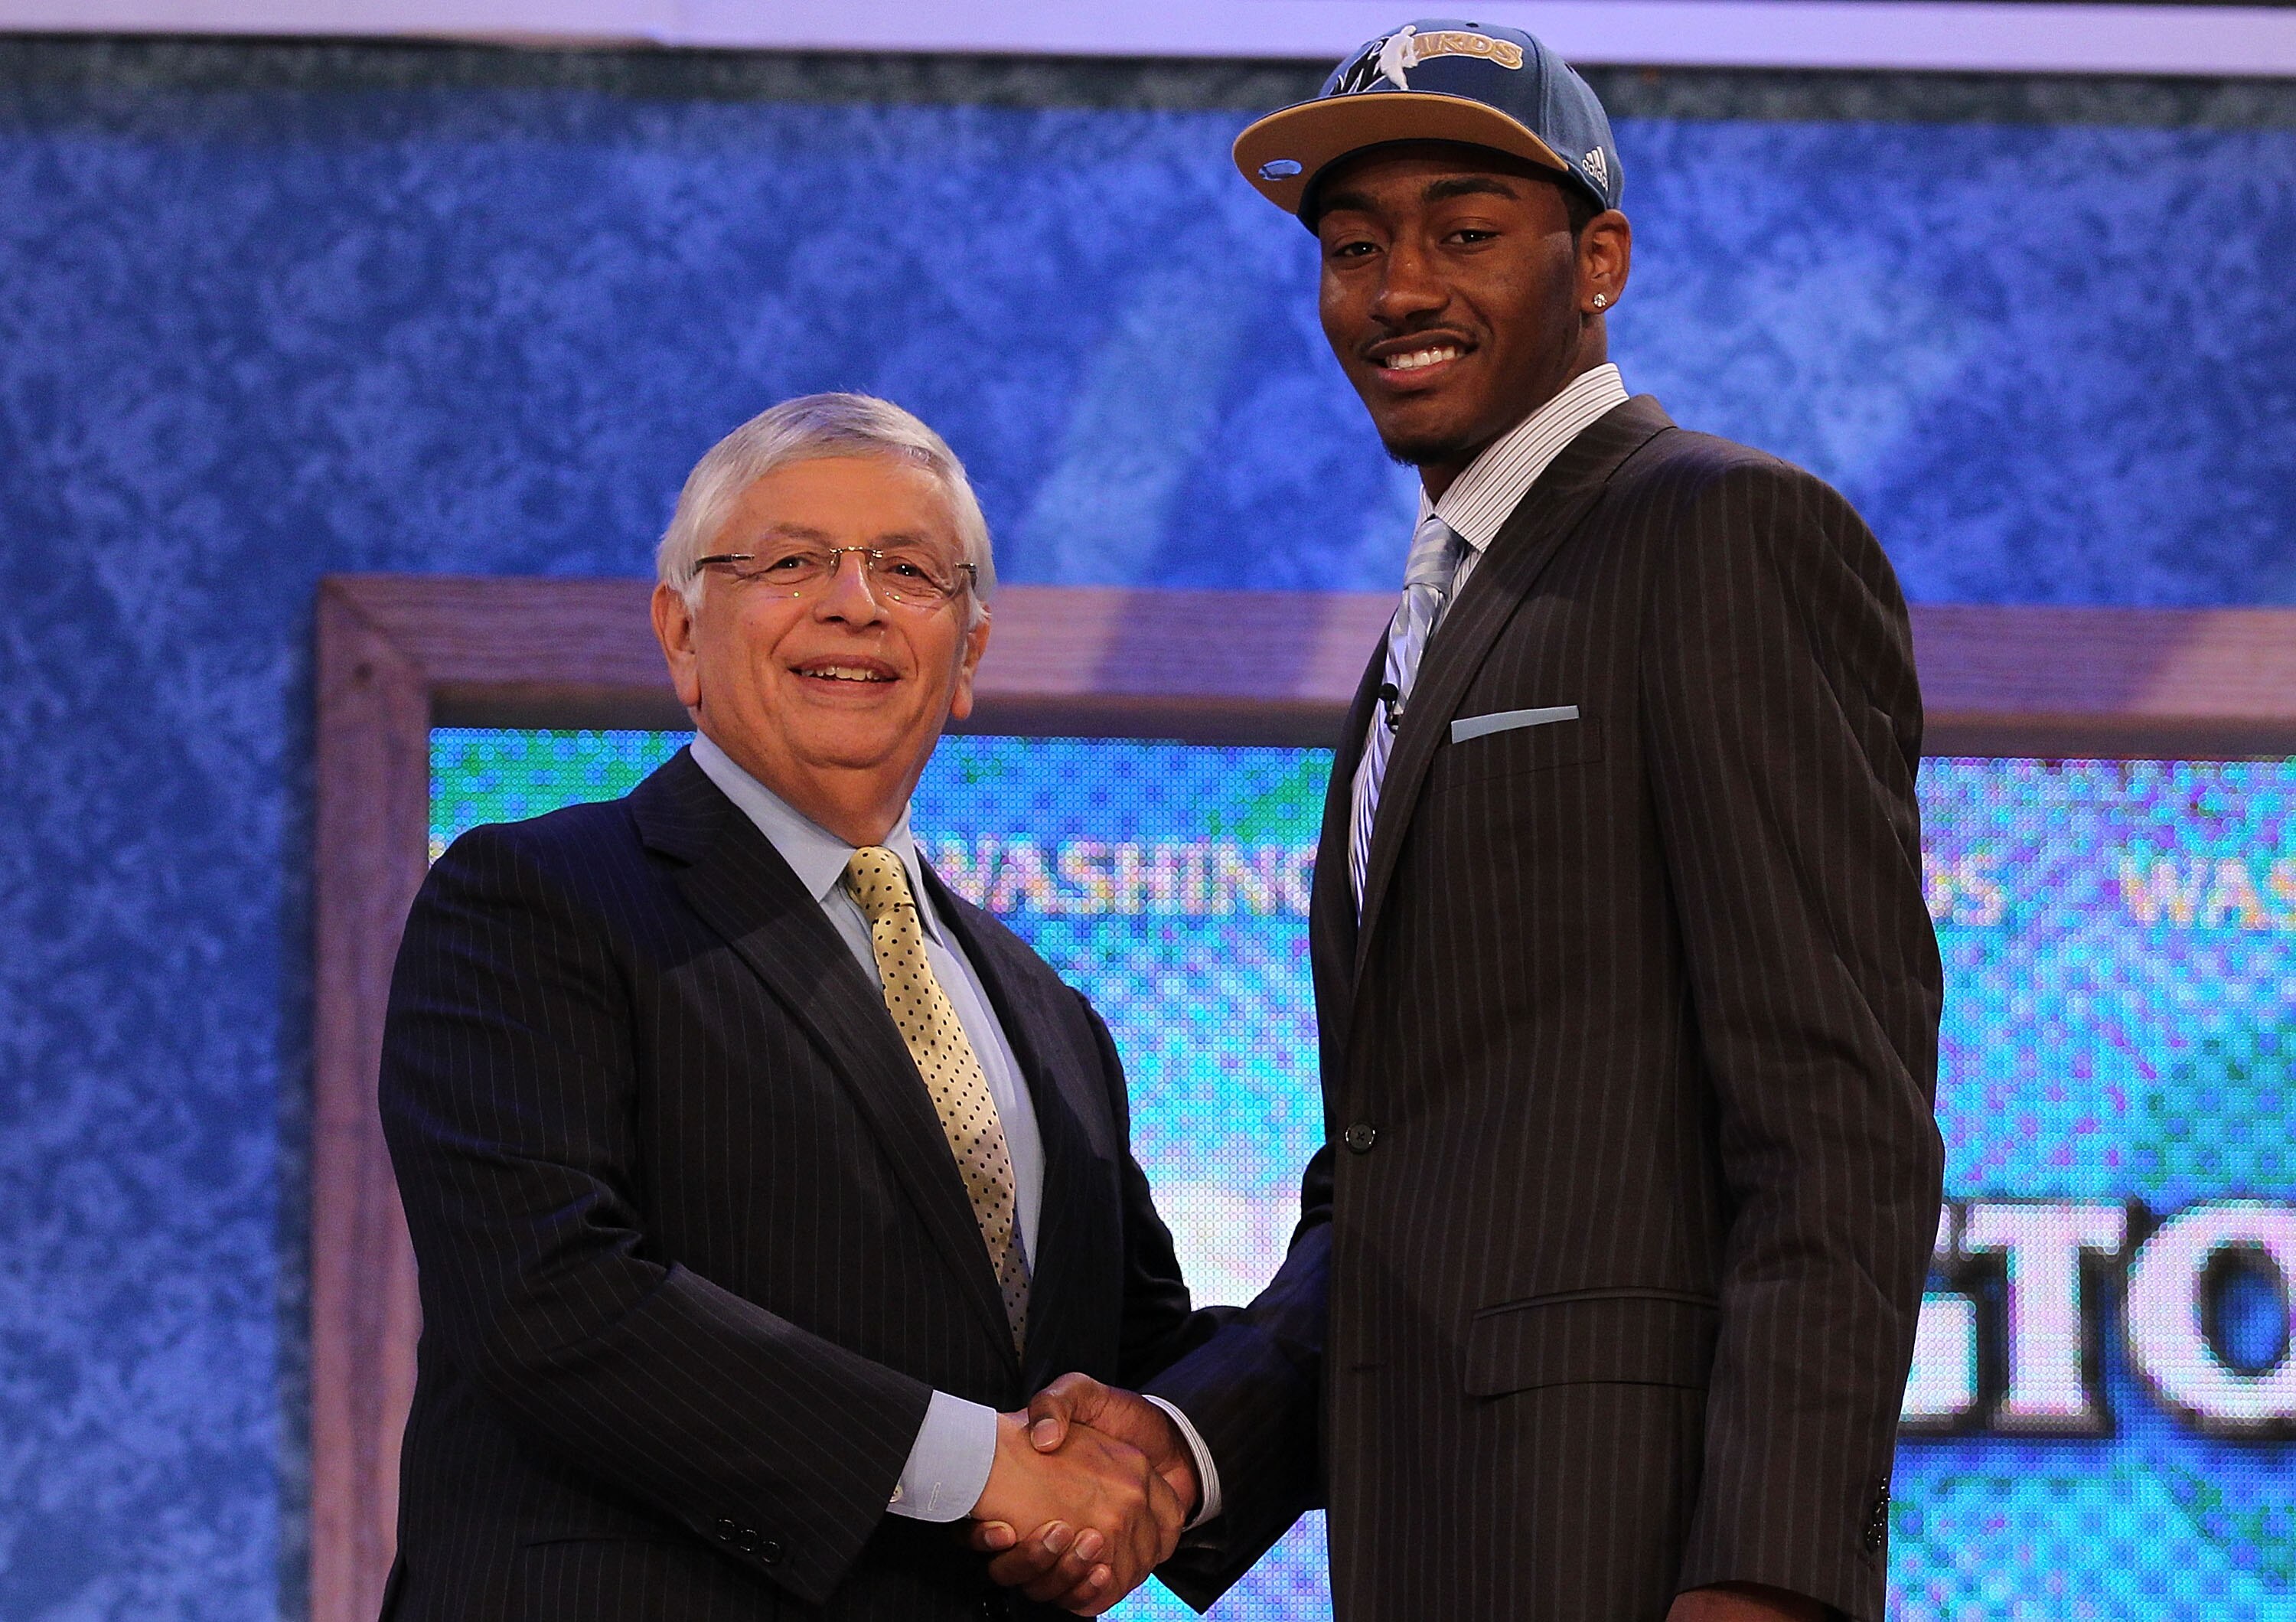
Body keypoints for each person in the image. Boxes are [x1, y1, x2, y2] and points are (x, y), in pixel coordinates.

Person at [988, 21, 1945, 1622]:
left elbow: (1838, 1125)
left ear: (1600, 261)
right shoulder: (1424, 636)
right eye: (1355, 249)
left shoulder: (1723, 531)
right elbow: (1404, 1176)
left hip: (1639, 1556)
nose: (1400, 290)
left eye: (1467, 233)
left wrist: (1769, 1580)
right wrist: (1189, 1445)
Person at [377, 393, 1224, 1620]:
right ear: (681, 634)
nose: (855, 604)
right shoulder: (532, 899)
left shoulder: (1050, 1015)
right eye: (790, 562)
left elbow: (1126, 1368)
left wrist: (1197, 1440)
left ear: (969, 655)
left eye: (910, 570)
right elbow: (547, 1299)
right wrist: (979, 1464)